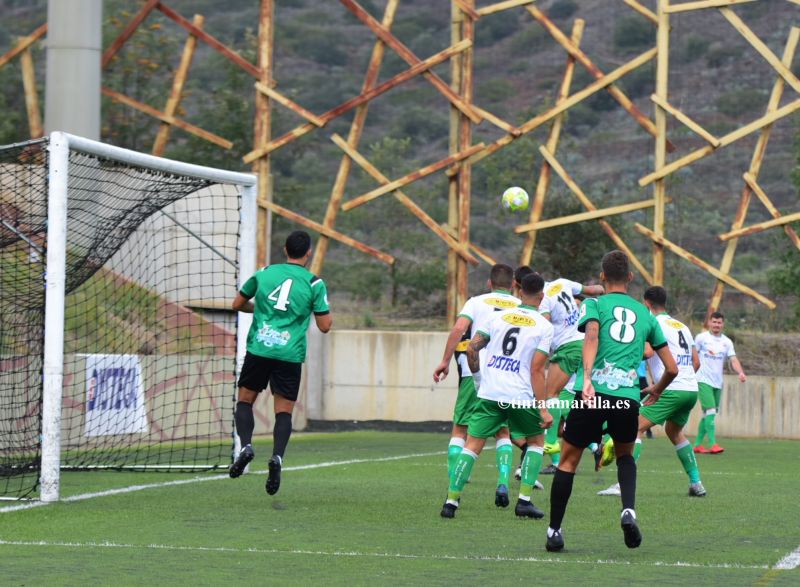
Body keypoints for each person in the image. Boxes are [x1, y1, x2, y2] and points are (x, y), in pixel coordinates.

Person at [545, 250, 677, 552]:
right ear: (630, 278)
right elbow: (672, 368)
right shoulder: (646, 314)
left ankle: (554, 531)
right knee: (625, 456)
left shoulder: (594, 302)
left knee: (567, 461)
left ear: (602, 277)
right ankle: (628, 510)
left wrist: (588, 377)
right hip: (627, 397)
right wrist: (656, 389)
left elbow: (591, 337)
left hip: (591, 394)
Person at [440, 273, 554, 519]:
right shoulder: (544, 326)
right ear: (541, 297)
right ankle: (524, 501)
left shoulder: (496, 317)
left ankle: (451, 502)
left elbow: (472, 347)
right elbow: (537, 370)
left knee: (472, 445)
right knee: (535, 442)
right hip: (520, 396)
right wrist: (542, 408)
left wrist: (480, 379)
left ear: (519, 292)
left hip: (490, 393)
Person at [228, 230, 332, 495]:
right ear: (308, 253)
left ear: (285, 249)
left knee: (244, 401)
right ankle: (277, 458)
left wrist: (260, 309)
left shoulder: (264, 273)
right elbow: (325, 326)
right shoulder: (314, 283)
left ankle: (247, 446)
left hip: (260, 349)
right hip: (289, 355)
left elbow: (237, 303)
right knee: (283, 412)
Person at [596, 286, 706, 498]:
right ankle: (696, 483)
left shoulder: (652, 323)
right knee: (674, 433)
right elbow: (696, 362)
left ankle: (622, 485)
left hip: (670, 389)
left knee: (633, 429)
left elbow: (647, 351)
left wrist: (624, 357)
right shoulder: (682, 326)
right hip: (690, 389)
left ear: (646, 304)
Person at [433, 264, 522, 507]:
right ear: (514, 284)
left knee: (461, 429)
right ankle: (503, 482)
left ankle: (454, 486)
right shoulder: (519, 306)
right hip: (504, 374)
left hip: (473, 369)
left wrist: (444, 361)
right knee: (502, 430)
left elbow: (459, 329)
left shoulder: (476, 301)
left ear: (489, 283)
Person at [537, 276, 604, 474]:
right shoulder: (562, 283)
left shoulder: (543, 299)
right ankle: (592, 444)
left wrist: (541, 350)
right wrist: (607, 288)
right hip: (583, 344)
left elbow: (545, 325)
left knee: (551, 396)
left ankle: (550, 444)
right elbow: (593, 290)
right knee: (575, 402)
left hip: (567, 347)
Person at [693, 311, 746, 454]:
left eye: (719, 322)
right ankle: (713, 444)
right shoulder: (701, 338)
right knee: (710, 410)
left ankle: (697, 444)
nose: (716, 325)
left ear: (723, 324)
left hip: (718, 382)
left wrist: (740, 372)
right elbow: (693, 356)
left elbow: (733, 359)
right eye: (714, 322)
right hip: (703, 380)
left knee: (708, 414)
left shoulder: (726, 342)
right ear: (709, 323)